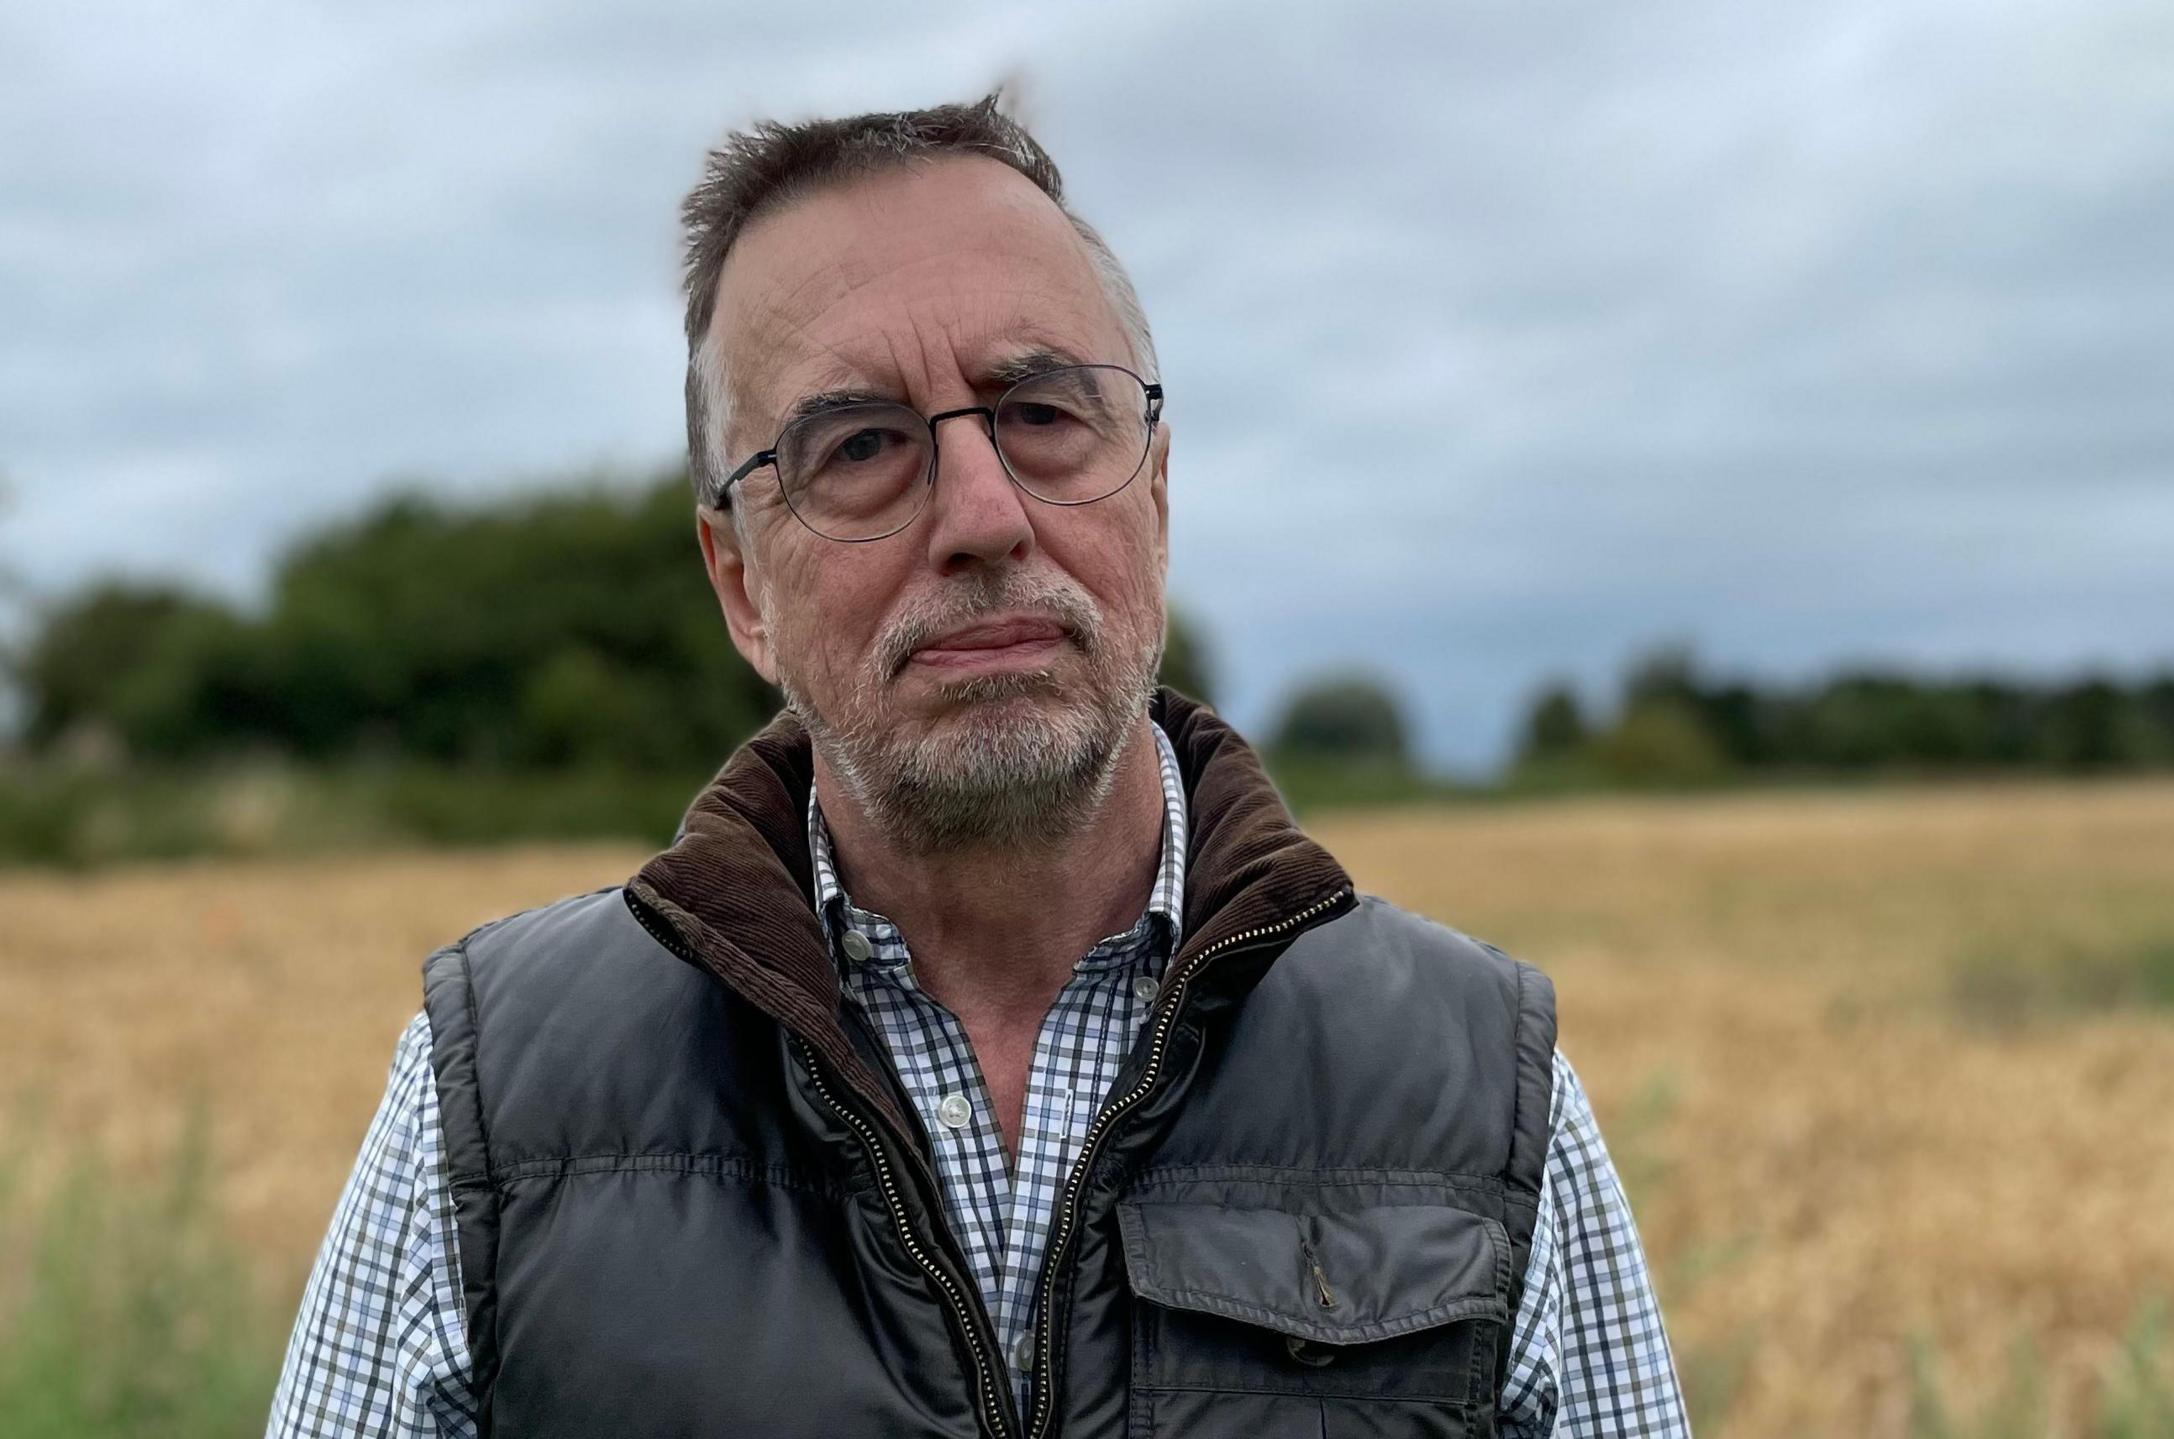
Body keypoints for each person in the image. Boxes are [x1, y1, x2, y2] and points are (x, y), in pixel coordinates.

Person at [267, 93, 1689, 1439]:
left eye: (1044, 413)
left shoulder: (1475, 1089)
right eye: (863, 445)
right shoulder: (492, 1110)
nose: (984, 514)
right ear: (739, 584)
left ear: (1158, 492)